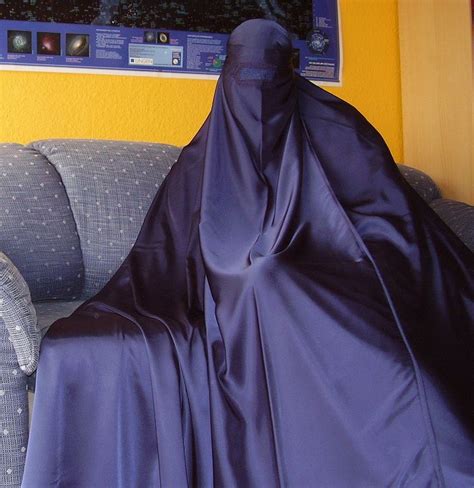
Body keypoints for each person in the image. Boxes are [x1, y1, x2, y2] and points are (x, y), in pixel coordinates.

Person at [23, 19, 473, 487]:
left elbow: (388, 217)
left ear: (289, 76)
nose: (256, 98)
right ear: (227, 80)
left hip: (337, 282)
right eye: (245, 76)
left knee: (285, 285)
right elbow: (168, 249)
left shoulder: (339, 134)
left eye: (268, 76)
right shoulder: (202, 161)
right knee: (263, 278)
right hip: (235, 299)